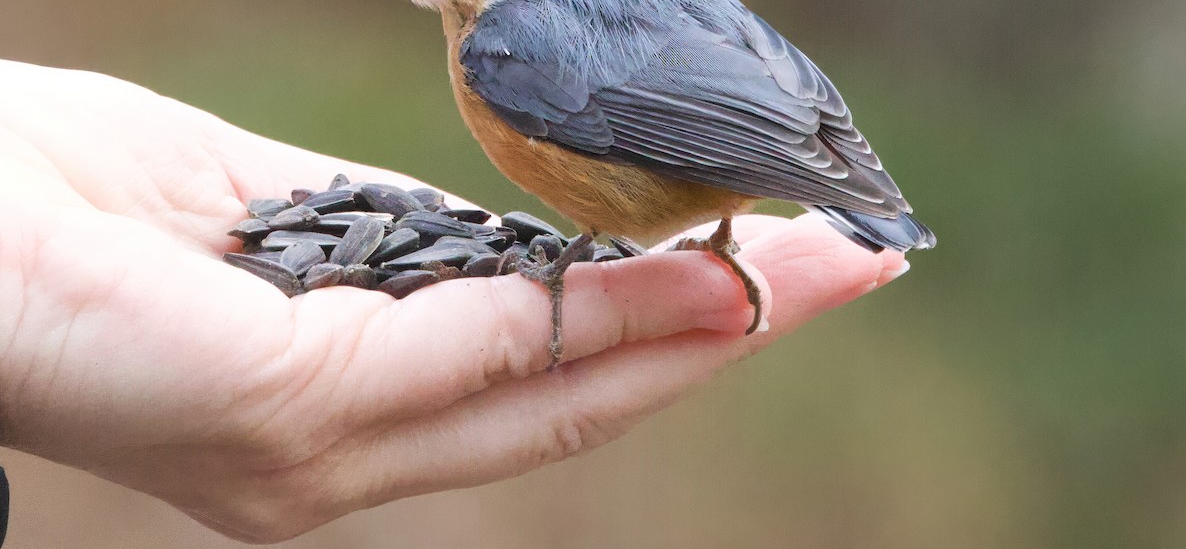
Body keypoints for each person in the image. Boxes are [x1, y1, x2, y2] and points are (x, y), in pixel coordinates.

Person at [0, 59, 909, 543]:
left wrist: (570, 254)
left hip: (697, 148)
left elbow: (644, 122)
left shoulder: (507, 46)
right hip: (780, 112)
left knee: (603, 209)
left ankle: (687, 230)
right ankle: (729, 225)